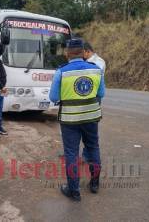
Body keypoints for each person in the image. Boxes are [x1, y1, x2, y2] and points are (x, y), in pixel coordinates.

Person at [49, 38, 105, 201]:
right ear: (83, 52)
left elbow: (53, 97)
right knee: (93, 147)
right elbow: (101, 94)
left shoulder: (61, 71)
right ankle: (94, 184)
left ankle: (74, 191)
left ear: (67, 53)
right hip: (91, 116)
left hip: (70, 119)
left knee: (72, 153)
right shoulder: (96, 70)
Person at [82, 42, 106, 163]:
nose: (82, 55)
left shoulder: (99, 61)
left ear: (87, 51)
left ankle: (88, 155)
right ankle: (85, 155)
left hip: (94, 97)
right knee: (83, 125)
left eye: (82, 53)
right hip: (85, 96)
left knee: (90, 126)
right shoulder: (85, 61)